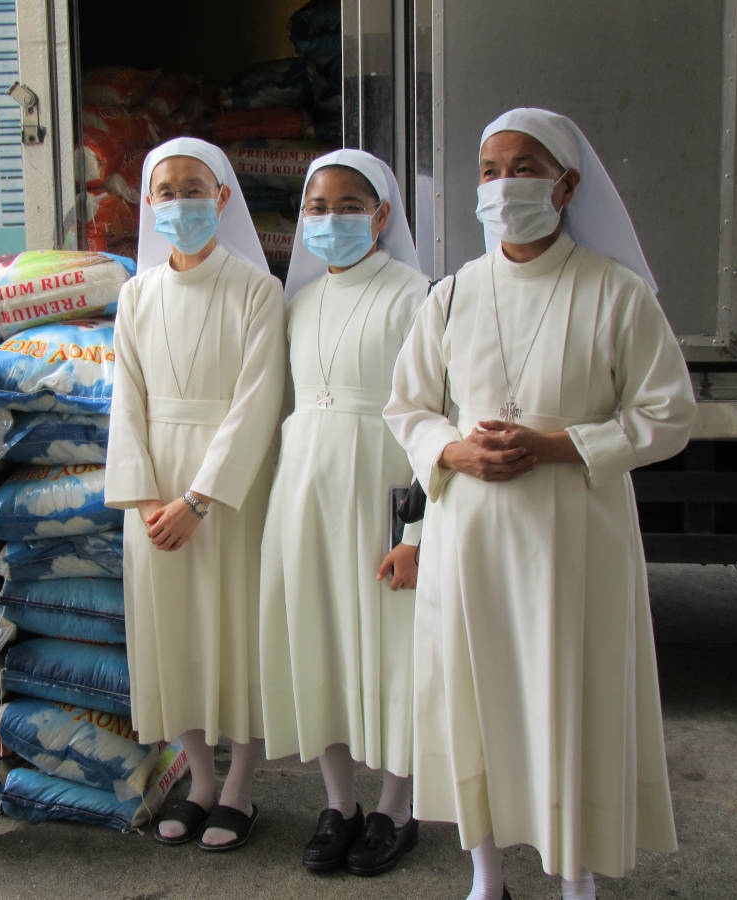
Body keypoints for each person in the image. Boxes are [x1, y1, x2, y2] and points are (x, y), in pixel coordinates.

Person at [383, 108, 695, 900]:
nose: (501, 185)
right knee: (476, 695)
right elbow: (407, 407)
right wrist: (452, 450)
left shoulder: (617, 295)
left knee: (569, 696)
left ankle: (575, 877)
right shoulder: (451, 296)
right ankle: (486, 874)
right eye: (488, 170)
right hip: (471, 541)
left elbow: (668, 414)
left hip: (573, 539)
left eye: (522, 167)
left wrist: (557, 446)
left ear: (567, 184)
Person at [104, 137, 285, 851]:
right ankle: (198, 780)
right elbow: (125, 401)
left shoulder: (257, 289)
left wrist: (199, 499)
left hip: (227, 491)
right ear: (148, 203)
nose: (180, 201)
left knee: (233, 628)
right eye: (167, 189)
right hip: (152, 492)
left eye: (194, 187)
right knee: (169, 629)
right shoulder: (135, 294)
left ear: (223, 197)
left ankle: (240, 784)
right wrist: (148, 498)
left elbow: (258, 401)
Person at [259, 149, 428, 877]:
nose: (330, 220)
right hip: (306, 493)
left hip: (381, 489)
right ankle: (339, 802)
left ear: (383, 216)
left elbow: (431, 417)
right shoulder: (296, 304)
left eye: (349, 206)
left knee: (392, 651)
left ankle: (396, 805)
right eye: (317, 208)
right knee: (318, 640)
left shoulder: (416, 296)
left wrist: (420, 530)